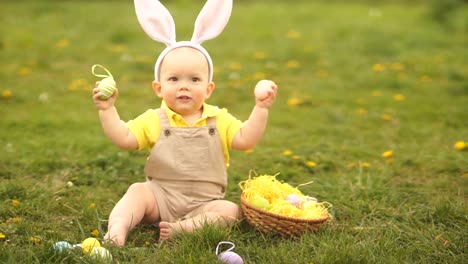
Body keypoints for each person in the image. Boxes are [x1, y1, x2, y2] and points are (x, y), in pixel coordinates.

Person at [91, 0, 278, 246]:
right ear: (158, 88)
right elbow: (124, 138)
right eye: (174, 78)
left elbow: (246, 140)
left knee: (230, 211)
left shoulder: (218, 119)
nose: (184, 85)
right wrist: (107, 110)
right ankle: (117, 229)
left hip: (204, 202)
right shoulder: (154, 119)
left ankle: (183, 228)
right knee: (137, 192)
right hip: (160, 197)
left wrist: (261, 108)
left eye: (194, 79)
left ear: (208, 89)